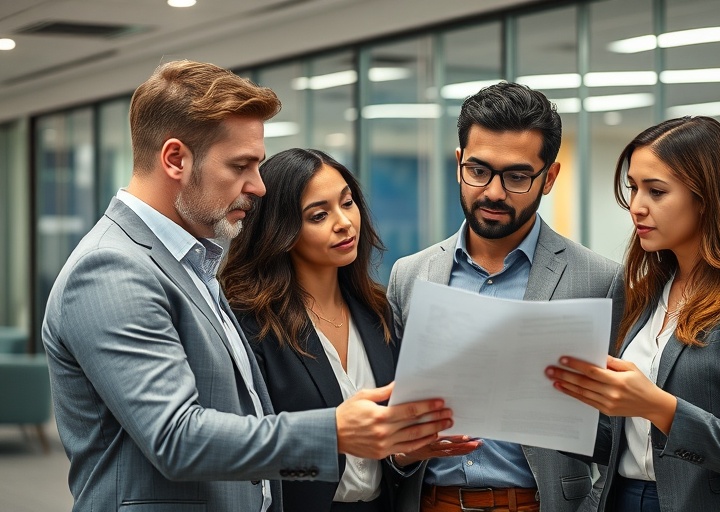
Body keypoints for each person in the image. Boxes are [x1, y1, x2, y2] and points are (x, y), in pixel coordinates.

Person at [41, 60, 453, 512]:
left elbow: (243, 423)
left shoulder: (195, 263)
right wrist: (334, 431)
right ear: (175, 159)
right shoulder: (112, 268)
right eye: (241, 165)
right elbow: (176, 438)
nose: (257, 187)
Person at [545, 116, 720, 512]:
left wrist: (657, 405)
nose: (636, 206)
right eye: (633, 188)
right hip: (623, 498)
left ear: (706, 197)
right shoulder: (643, 290)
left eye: (656, 191)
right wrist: (544, 410)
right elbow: (622, 441)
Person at [387, 81, 624, 512]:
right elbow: (391, 414)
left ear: (548, 178)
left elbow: (621, 432)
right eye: (478, 171)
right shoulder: (411, 275)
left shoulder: (600, 279)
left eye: (516, 177)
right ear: (458, 164)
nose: (493, 192)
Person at [220, 148, 477, 512]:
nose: (344, 222)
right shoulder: (252, 323)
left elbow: (380, 461)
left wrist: (404, 454)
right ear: (282, 231)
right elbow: (244, 451)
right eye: (319, 215)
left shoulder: (377, 312)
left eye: (348, 202)